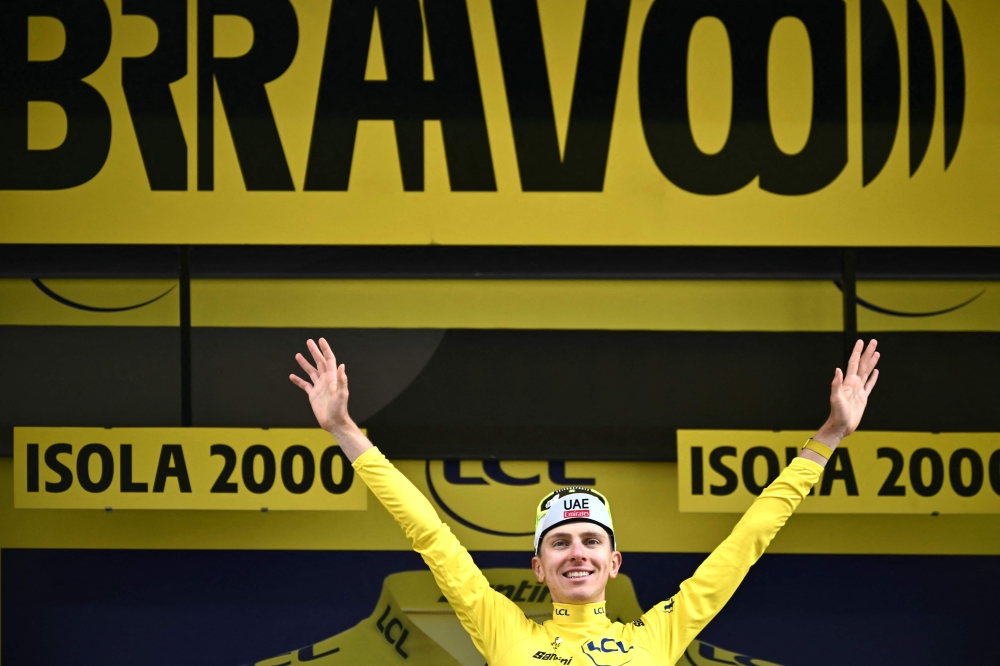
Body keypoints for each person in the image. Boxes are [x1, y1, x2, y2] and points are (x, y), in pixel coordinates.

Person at [290, 338, 881, 666]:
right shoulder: (508, 634)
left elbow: (744, 545)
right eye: (561, 542)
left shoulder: (656, 637)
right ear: (538, 568)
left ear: (615, 562)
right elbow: (431, 536)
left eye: (592, 540)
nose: (578, 553)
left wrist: (827, 437)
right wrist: (346, 430)